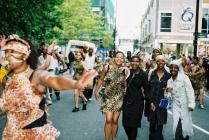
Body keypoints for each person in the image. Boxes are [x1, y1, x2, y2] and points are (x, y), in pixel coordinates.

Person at [0, 34, 96, 140]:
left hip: (35, 135)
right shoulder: (7, 79)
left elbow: (55, 80)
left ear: (24, 55)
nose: (7, 56)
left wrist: (74, 84)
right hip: (11, 135)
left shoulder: (36, 75)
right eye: (6, 52)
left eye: (12, 52)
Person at [94, 51, 129, 140]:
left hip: (119, 97)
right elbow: (101, 80)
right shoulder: (107, 67)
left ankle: (113, 138)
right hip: (108, 97)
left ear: (123, 60)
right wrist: (96, 91)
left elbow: (125, 85)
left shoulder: (125, 70)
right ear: (114, 57)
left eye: (121, 58)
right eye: (118, 57)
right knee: (109, 119)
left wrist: (125, 75)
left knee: (115, 120)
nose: (119, 59)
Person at [166, 60, 195, 140]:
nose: (173, 69)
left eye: (175, 67)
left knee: (185, 125)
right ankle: (177, 137)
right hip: (175, 106)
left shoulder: (184, 78)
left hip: (185, 105)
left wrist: (191, 104)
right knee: (176, 124)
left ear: (178, 69)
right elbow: (168, 97)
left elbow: (190, 91)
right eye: (171, 67)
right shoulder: (169, 81)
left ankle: (184, 138)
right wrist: (167, 92)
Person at [122, 56, 148, 140]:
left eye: (137, 61)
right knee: (125, 124)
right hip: (127, 101)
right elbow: (122, 84)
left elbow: (147, 89)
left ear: (139, 63)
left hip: (138, 103)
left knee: (134, 125)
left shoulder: (143, 74)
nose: (135, 63)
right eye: (133, 61)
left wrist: (150, 102)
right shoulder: (127, 72)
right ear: (130, 62)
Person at [147, 55, 171, 140]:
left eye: (162, 61)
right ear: (156, 62)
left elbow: (171, 89)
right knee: (152, 124)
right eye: (158, 61)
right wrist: (150, 102)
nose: (160, 62)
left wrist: (168, 90)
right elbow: (148, 88)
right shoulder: (151, 73)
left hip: (163, 102)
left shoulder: (168, 75)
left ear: (165, 62)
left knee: (160, 123)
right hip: (152, 101)